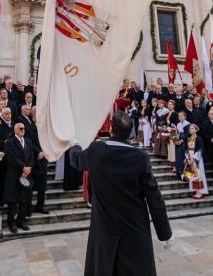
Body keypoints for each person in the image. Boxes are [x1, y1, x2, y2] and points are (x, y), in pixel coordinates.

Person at [69, 111, 172, 275]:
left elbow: (76, 160)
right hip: (134, 227)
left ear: (110, 129)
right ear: (130, 132)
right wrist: (165, 233)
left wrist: (75, 144)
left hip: (104, 227)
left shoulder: (96, 151)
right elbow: (154, 197)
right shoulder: (140, 157)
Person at [4, 121, 35, 234]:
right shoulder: (10, 142)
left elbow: (32, 157)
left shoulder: (28, 141)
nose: (23, 130)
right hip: (14, 174)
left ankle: (21, 221)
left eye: (24, 128)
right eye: (21, 128)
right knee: (13, 201)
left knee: (25, 200)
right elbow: (10, 158)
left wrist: (28, 169)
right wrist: (23, 167)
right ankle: (11, 222)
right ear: (15, 130)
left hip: (26, 174)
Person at [184, 123, 208, 200]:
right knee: (192, 175)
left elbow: (200, 150)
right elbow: (186, 149)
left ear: (196, 130)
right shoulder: (188, 139)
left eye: (192, 128)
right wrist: (188, 158)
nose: (190, 129)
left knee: (199, 175)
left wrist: (194, 159)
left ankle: (200, 192)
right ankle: (196, 191)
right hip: (190, 158)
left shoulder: (199, 139)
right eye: (190, 128)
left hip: (197, 159)